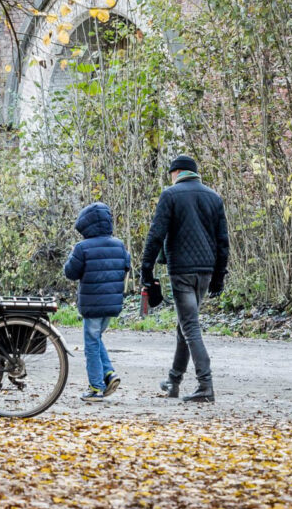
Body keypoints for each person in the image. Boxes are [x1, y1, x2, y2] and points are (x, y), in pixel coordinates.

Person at [141, 154, 229, 403]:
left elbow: (156, 234)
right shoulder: (214, 197)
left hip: (182, 271)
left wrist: (146, 270)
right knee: (184, 325)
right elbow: (223, 241)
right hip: (206, 271)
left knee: (189, 326)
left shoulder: (170, 195)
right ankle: (174, 380)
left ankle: (205, 385)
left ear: (176, 172)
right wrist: (219, 276)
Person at [63, 202, 130, 402]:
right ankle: (109, 373)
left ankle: (96, 387)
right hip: (112, 304)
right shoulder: (119, 245)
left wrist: (73, 253)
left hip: (92, 305)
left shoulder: (82, 247)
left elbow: (70, 272)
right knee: (96, 338)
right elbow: (126, 266)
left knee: (91, 344)